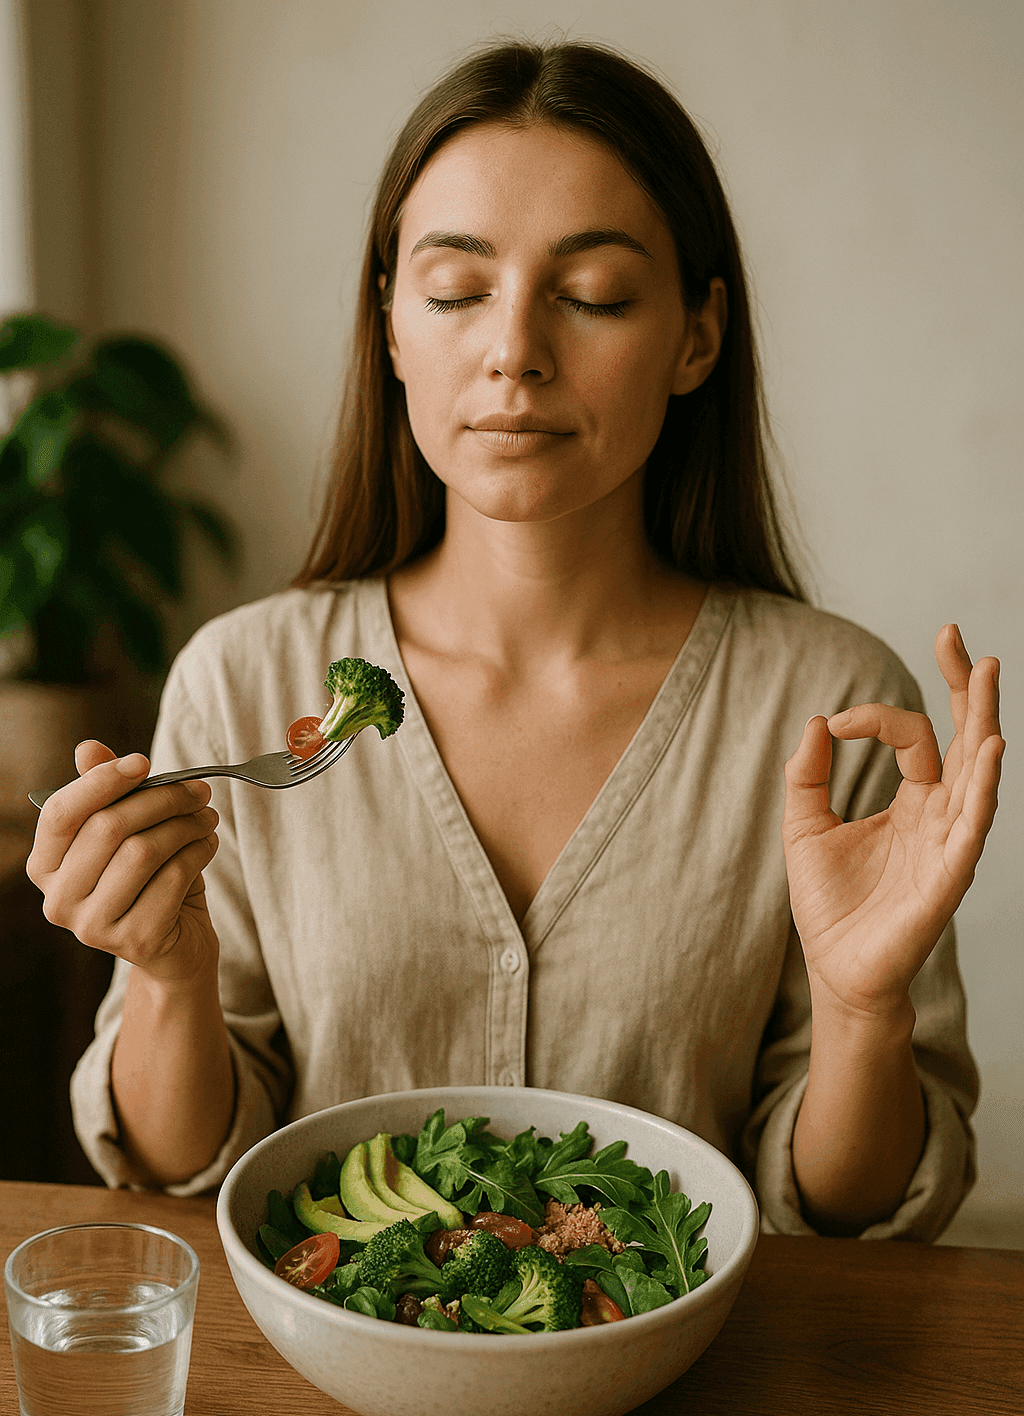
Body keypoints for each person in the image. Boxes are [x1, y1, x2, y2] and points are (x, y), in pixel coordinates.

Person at [28, 40, 1003, 1239]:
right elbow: (179, 1171)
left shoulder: (833, 705)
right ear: (390, 325)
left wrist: (863, 1011)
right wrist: (168, 976)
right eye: (454, 291)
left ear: (697, 338)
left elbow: (850, 1222)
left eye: (592, 296)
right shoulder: (244, 682)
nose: (515, 351)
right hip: (329, 1395)